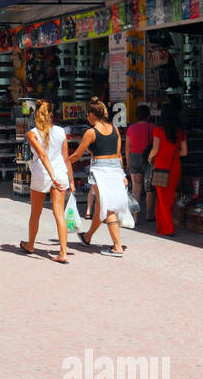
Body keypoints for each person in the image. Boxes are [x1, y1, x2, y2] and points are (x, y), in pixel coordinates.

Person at [67, 98, 130, 256]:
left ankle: (117, 246)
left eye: (88, 115)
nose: (87, 118)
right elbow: (118, 155)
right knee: (101, 208)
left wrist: (63, 162)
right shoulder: (114, 130)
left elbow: (77, 155)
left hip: (100, 171)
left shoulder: (91, 132)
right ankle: (88, 237)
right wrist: (123, 174)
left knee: (107, 208)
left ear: (92, 115)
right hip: (115, 170)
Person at [21, 99, 71, 263]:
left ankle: (30, 244)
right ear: (51, 115)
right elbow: (65, 158)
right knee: (59, 213)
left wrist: (52, 177)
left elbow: (42, 156)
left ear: (36, 114)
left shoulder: (32, 133)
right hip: (60, 174)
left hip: (42, 175)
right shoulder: (61, 132)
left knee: (35, 213)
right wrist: (69, 178)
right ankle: (63, 252)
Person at [148, 103, 188, 236]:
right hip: (174, 166)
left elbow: (155, 149)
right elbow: (184, 152)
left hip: (161, 167)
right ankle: (161, 226)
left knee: (162, 198)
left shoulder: (158, 130)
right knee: (168, 197)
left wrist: (149, 158)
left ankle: (168, 228)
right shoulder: (180, 131)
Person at [125, 104, 155, 221]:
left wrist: (128, 162)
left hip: (134, 158)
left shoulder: (131, 128)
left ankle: (135, 216)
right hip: (147, 159)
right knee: (148, 189)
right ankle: (148, 214)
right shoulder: (153, 127)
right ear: (148, 115)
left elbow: (127, 148)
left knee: (136, 189)